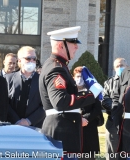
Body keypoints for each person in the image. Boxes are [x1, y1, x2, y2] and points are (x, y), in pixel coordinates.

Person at [39, 26, 102, 160]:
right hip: (61, 133)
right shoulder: (56, 69)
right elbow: (60, 102)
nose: (77, 47)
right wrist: (90, 93)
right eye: (73, 43)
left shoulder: (60, 66)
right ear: (61, 45)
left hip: (64, 131)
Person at [6, 46, 45, 128]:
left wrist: (28, 121)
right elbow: (4, 103)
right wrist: (16, 120)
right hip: (12, 126)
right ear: (19, 60)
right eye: (28, 58)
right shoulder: (8, 79)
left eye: (34, 59)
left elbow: (45, 105)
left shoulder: (42, 80)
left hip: (35, 127)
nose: (31, 61)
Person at [73, 66, 102, 160]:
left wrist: (86, 118)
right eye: (77, 76)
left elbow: (97, 109)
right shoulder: (70, 91)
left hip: (89, 126)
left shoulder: (92, 91)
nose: (79, 79)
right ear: (73, 77)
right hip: (74, 126)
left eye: (81, 77)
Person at [101, 58, 127, 160]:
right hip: (113, 123)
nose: (120, 68)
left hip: (128, 123)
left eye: (122, 65)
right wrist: (116, 107)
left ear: (127, 67)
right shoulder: (108, 83)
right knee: (112, 154)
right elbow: (104, 99)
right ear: (113, 68)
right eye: (117, 66)